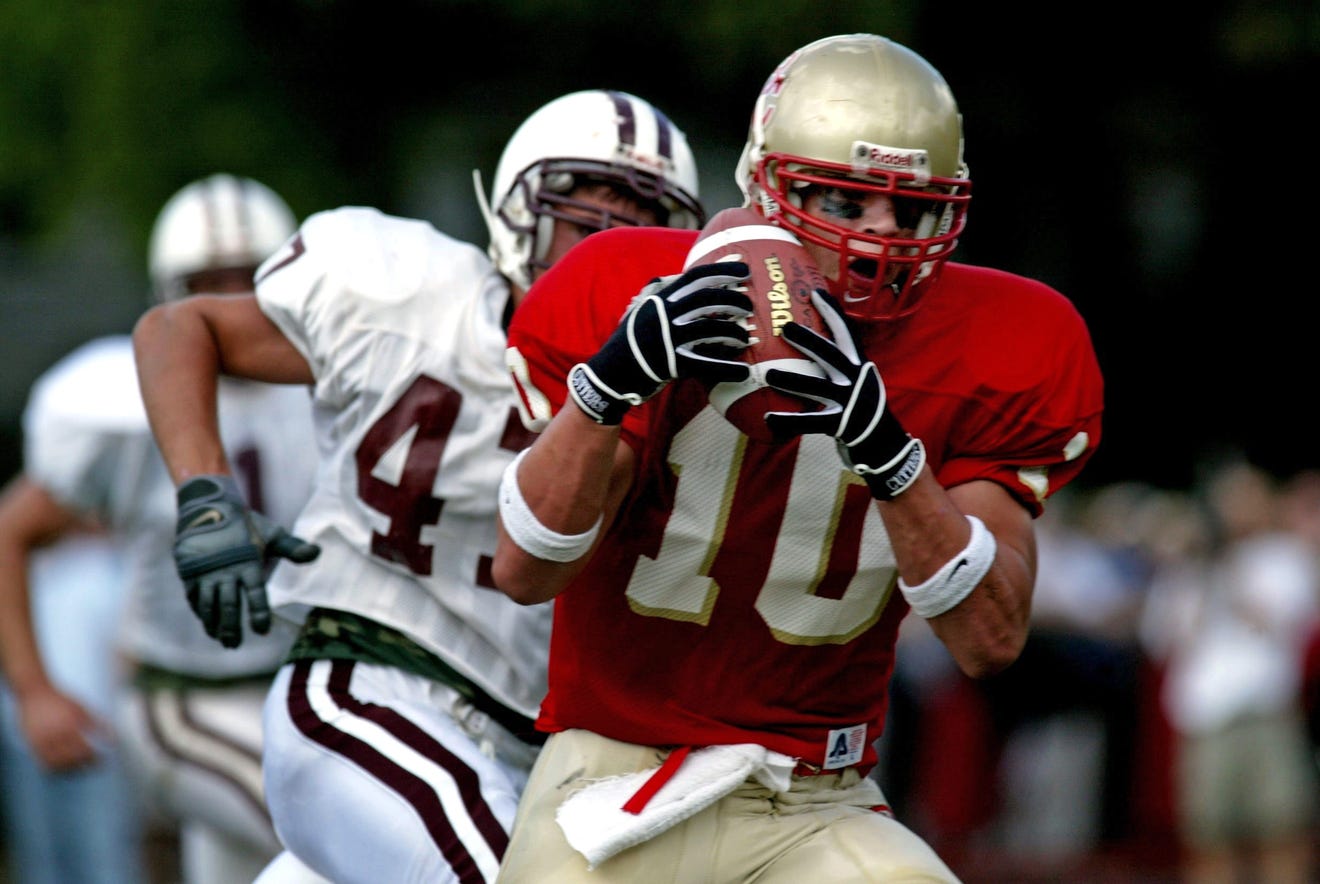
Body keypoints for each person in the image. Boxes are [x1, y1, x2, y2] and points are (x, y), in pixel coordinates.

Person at [491, 33, 1105, 882]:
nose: (878, 235)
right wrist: (608, 391)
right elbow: (526, 569)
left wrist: (894, 462)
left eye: (911, 208)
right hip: (609, 779)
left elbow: (988, 639)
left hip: (812, 801)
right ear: (768, 188)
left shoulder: (1009, 338)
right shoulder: (628, 285)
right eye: (846, 203)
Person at [130, 90, 707, 883]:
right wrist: (206, 492)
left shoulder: (689, 396)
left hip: (547, 756)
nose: (604, 250)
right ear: (517, 214)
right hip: (374, 683)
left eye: (639, 226)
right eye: (584, 218)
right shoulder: (405, 292)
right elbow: (177, 328)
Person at [0, 173, 326, 884]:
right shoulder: (117, 404)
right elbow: (10, 533)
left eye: (251, 276)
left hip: (309, 684)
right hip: (186, 695)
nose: (230, 301)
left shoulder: (331, 380)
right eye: (209, 282)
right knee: (327, 836)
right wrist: (34, 690)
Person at [1139, 461, 1319, 884]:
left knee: (1281, 833)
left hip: (1266, 716)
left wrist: (1226, 566)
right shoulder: (1188, 569)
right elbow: (1161, 637)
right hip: (1206, 721)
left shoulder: (1284, 556)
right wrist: (1194, 566)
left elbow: (1278, 618)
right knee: (1210, 838)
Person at [0, 473, 142, 884]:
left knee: (104, 859)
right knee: (41, 860)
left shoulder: (113, 565)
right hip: (24, 738)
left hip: (98, 739)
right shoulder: (28, 563)